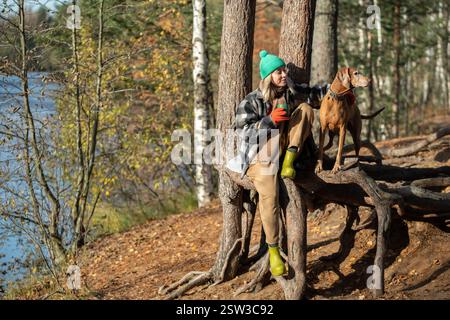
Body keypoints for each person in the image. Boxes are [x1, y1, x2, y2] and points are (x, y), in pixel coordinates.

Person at [229, 50, 327, 276]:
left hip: (283, 153)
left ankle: (289, 162)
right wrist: (267, 121)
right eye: (279, 72)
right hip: (258, 157)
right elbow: (241, 134)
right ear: (268, 76)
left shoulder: (291, 91)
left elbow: (314, 94)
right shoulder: (252, 101)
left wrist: (341, 86)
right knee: (269, 196)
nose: (284, 75)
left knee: (305, 109)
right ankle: (273, 251)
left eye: (284, 70)